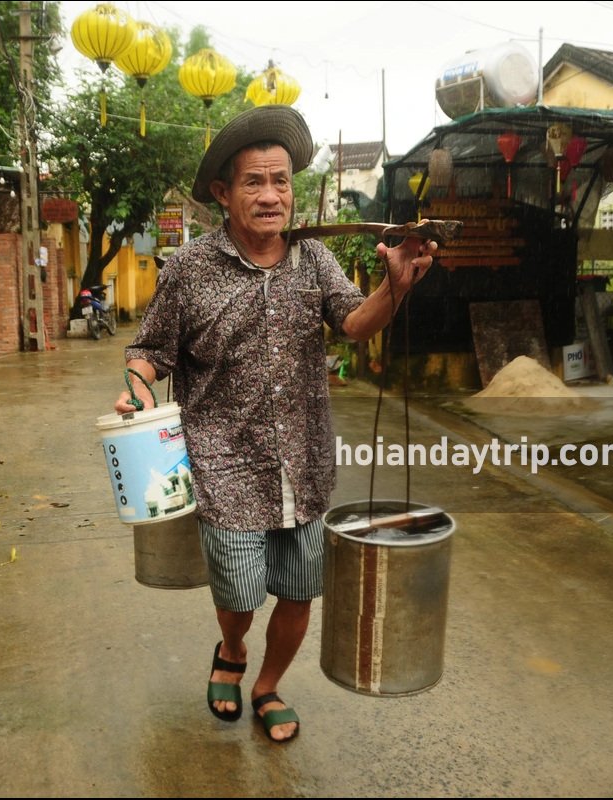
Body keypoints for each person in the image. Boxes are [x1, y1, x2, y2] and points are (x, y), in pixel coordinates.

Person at [113, 105, 436, 743]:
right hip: (223, 463)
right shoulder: (188, 270)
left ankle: (267, 684)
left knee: (297, 592)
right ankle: (231, 648)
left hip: (306, 460)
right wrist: (137, 388)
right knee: (238, 591)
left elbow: (353, 321)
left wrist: (395, 289)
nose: (270, 196)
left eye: (281, 181)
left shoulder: (312, 259)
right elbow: (150, 350)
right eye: (254, 183)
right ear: (223, 194)